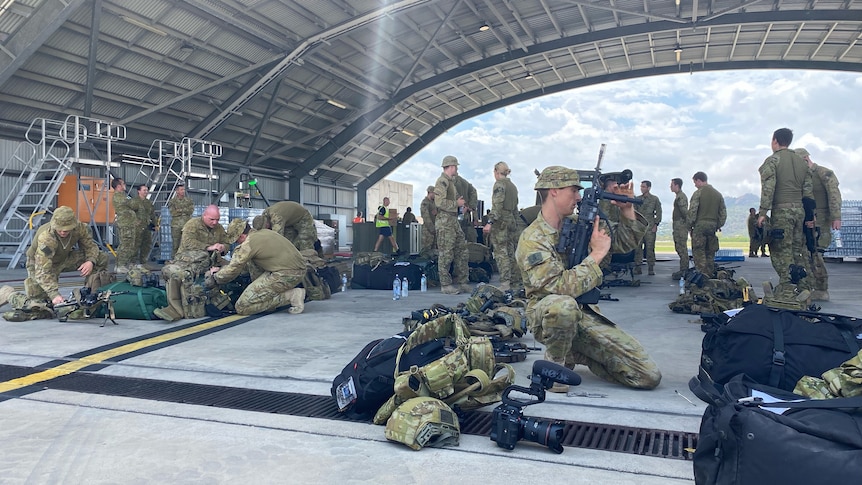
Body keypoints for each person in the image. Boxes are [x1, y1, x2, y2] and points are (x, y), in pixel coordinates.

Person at [514, 166, 660, 391]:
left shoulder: (580, 224)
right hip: (548, 315)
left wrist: (627, 210)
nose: (578, 197)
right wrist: (596, 255)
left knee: (647, 376)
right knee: (563, 306)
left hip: (583, 314)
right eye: (573, 190)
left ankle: (576, 350)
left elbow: (622, 243)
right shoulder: (533, 239)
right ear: (554, 191)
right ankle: (554, 367)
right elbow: (556, 288)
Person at [1, 206, 109, 321]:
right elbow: (42, 271)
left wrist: (90, 261)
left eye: (66, 230)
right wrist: (54, 295)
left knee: (101, 257)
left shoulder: (80, 228)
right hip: (39, 265)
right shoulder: (47, 238)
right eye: (60, 229)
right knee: (39, 306)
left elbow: (90, 246)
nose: (62, 232)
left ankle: (92, 297)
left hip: (64, 259)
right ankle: (8, 294)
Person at [153, 206, 240, 322]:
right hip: (189, 260)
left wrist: (223, 247)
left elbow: (226, 243)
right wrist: (208, 247)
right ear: (204, 216)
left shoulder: (218, 228)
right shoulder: (192, 225)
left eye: (217, 220)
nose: (215, 222)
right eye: (212, 219)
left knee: (233, 269)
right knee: (183, 276)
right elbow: (188, 242)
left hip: (211, 260)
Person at [757, 128, 813, 295]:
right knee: (797, 251)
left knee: (780, 249)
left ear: (775, 140)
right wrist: (810, 216)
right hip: (800, 211)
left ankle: (787, 289)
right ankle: (803, 288)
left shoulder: (773, 161)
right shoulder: (801, 162)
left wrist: (762, 212)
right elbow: (808, 192)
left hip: (782, 211)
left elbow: (769, 188)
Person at [206, 223, 306, 315]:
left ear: (241, 236)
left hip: (286, 274)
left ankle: (292, 296)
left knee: (242, 307)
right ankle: (266, 300)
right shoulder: (265, 232)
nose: (237, 244)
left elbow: (233, 270)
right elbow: (245, 266)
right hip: (296, 269)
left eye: (237, 241)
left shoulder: (248, 244)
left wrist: (215, 276)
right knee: (252, 262)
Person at [796, 147, 842, 301]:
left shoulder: (823, 173)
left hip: (821, 220)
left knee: (817, 255)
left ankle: (822, 289)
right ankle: (809, 286)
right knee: (807, 254)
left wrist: (836, 217)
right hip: (807, 220)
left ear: (805, 159)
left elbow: (834, 195)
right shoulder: (803, 176)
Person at [434, 156, 470, 295]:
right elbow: (440, 202)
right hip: (445, 222)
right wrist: (457, 204)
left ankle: (463, 282)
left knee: (462, 251)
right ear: (451, 166)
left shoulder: (450, 183)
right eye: (456, 166)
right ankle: (446, 285)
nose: (457, 169)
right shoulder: (442, 182)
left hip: (453, 221)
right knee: (446, 254)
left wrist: (460, 207)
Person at [482, 161, 520, 291]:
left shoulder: (499, 185)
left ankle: (505, 283)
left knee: (500, 252)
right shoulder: (512, 186)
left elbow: (497, 205)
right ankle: (515, 281)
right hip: (511, 221)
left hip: (501, 222)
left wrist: (490, 222)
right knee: (511, 252)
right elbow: (515, 208)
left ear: (496, 172)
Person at [688, 172, 726, 278]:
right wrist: (718, 225)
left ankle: (702, 276)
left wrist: (690, 226)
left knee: (699, 252)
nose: (695, 185)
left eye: (695, 182)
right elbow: (723, 213)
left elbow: (693, 211)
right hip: (712, 226)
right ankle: (710, 275)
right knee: (710, 252)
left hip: (699, 226)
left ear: (699, 180)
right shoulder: (718, 194)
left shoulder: (698, 193)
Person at [111, 177, 138, 273]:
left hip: (128, 223)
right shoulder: (120, 197)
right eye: (123, 184)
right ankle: (120, 265)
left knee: (126, 244)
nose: (125, 185)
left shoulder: (122, 196)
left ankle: (120, 264)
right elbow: (134, 205)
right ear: (119, 186)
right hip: (125, 224)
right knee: (126, 244)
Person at [635, 180, 662, 275]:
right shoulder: (637, 199)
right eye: (641, 187)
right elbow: (634, 212)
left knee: (650, 248)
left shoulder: (654, 199)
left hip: (650, 227)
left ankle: (651, 267)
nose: (642, 188)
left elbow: (659, 213)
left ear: (649, 188)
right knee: (638, 247)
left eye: (644, 187)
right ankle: (638, 266)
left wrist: (656, 224)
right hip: (639, 227)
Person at [131, 184, 157, 266]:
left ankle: (143, 262)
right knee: (135, 245)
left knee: (146, 245)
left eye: (147, 190)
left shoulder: (148, 203)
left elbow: (152, 214)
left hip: (146, 227)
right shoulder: (134, 202)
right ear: (139, 191)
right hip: (137, 228)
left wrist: (155, 224)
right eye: (144, 190)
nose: (146, 192)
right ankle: (133, 263)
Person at [167, 182, 195, 259]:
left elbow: (191, 211)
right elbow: (173, 213)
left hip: (186, 225)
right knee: (176, 245)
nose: (183, 191)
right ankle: (174, 260)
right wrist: (184, 211)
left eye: (184, 189)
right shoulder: (172, 202)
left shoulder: (189, 200)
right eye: (181, 190)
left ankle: (184, 260)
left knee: (186, 244)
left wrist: (180, 210)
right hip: (176, 226)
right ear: (177, 191)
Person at [670, 178, 689, 279]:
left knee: (682, 248)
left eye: (672, 185)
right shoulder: (678, 196)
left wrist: (688, 225)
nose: (670, 186)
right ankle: (683, 269)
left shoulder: (681, 197)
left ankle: (684, 270)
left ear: (677, 185)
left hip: (681, 226)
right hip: (678, 225)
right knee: (679, 247)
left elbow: (685, 212)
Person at [453, 173, 478, 243]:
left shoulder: (452, 181)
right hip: (466, 213)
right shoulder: (465, 182)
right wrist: (471, 207)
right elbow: (474, 191)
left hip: (458, 214)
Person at [419, 186, 437, 256]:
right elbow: (426, 217)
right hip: (428, 230)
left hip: (434, 229)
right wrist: (432, 228)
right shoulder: (425, 203)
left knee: (433, 250)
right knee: (426, 250)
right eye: (434, 193)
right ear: (430, 193)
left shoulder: (433, 203)